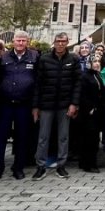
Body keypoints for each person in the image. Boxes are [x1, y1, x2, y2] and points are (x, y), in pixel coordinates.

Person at [0, 31, 39, 182]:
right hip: (5, 103)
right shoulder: (4, 57)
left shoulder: (34, 57)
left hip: (24, 104)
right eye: (18, 40)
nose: (20, 43)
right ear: (13, 41)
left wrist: (35, 105)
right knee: (0, 137)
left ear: (28, 42)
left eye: (23, 41)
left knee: (22, 137)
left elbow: (38, 82)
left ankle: (18, 168)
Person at [34, 33, 80, 179]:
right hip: (46, 104)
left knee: (63, 137)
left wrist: (74, 103)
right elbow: (37, 84)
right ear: (54, 42)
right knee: (43, 137)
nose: (60, 44)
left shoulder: (73, 59)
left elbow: (77, 83)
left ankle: (61, 165)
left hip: (64, 104)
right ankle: (40, 166)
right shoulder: (44, 59)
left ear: (67, 42)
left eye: (63, 41)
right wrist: (35, 106)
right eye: (58, 41)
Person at [75, 55, 105, 173]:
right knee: (89, 138)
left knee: (93, 138)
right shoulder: (85, 76)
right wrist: (89, 108)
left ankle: (88, 162)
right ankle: (88, 164)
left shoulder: (97, 75)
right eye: (94, 61)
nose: (97, 63)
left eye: (98, 61)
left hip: (97, 112)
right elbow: (82, 94)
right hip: (88, 113)